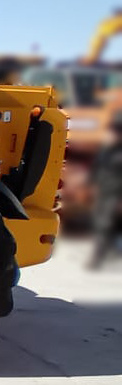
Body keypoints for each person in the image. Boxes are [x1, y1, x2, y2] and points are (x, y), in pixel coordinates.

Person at [89, 110, 122, 269]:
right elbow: (97, 168)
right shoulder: (108, 150)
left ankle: (98, 258)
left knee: (104, 223)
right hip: (104, 191)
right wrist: (92, 185)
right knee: (102, 222)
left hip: (114, 194)